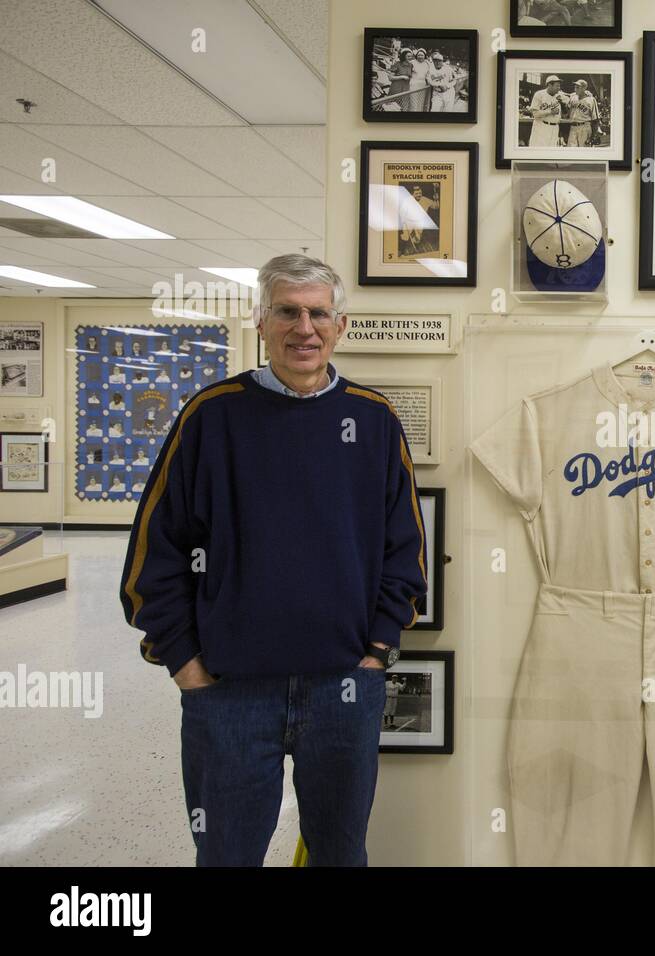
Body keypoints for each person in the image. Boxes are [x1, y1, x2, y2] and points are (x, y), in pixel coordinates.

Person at [119, 254, 426, 867]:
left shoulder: (373, 420)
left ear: (340, 325)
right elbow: (156, 553)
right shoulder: (211, 416)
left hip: (344, 688)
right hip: (229, 694)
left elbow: (405, 550)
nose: (303, 328)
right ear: (261, 322)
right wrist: (185, 665)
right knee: (227, 855)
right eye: (287, 311)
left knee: (341, 855)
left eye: (318, 313)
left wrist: (376, 652)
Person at [528, 75, 568, 147]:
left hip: (555, 128)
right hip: (542, 127)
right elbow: (535, 114)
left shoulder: (559, 95)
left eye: (559, 86)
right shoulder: (539, 94)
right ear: (549, 85)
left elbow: (571, 98)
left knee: (551, 152)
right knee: (539, 150)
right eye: (557, 86)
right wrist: (550, 112)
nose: (559, 88)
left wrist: (563, 103)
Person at [567, 79, 599, 146]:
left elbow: (595, 119)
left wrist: (594, 135)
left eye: (578, 87)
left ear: (584, 88)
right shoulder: (573, 97)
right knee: (571, 152)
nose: (575, 89)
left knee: (584, 152)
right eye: (575, 87)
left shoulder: (591, 100)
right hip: (573, 127)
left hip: (585, 127)